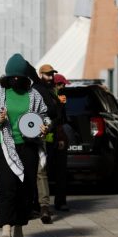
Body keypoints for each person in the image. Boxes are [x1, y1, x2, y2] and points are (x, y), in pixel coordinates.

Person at [0, 54, 50, 237]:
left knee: (25, 189)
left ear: (24, 77)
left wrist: (45, 127)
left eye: (18, 76)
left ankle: (19, 229)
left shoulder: (34, 95)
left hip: (27, 145)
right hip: (2, 145)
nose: (15, 80)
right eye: (12, 77)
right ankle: (6, 229)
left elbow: (44, 117)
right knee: (7, 187)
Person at [29, 64, 58, 224]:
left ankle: (42, 206)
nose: (50, 77)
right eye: (47, 75)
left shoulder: (47, 90)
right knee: (39, 171)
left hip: (41, 134)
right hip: (35, 133)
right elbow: (52, 112)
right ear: (40, 74)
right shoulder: (40, 90)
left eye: (51, 74)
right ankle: (41, 206)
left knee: (40, 171)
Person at [51, 73, 70, 211]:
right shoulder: (49, 98)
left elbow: (63, 120)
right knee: (44, 173)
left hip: (59, 137)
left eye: (63, 85)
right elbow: (56, 121)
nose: (62, 87)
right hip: (50, 137)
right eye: (59, 85)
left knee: (61, 172)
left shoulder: (62, 99)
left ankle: (60, 201)